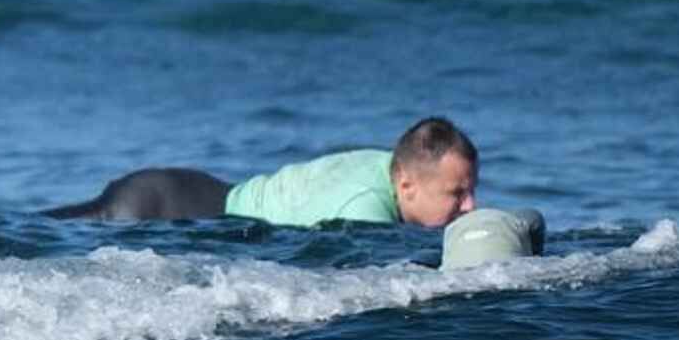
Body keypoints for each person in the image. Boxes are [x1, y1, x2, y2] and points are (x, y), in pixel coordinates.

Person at [46, 117, 482, 229]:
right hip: (163, 211)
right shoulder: (364, 209)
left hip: (181, 192)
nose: (471, 206)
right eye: (456, 194)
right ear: (406, 184)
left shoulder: (390, 163)